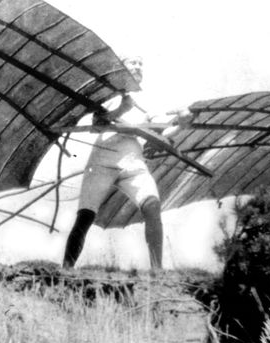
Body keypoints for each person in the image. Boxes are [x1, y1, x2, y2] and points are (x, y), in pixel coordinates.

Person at [62, 56, 189, 271]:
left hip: (133, 162)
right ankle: (65, 269)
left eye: (141, 64)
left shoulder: (150, 101)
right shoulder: (109, 92)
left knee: (152, 206)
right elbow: (97, 125)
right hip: (103, 159)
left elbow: (160, 135)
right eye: (133, 63)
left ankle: (157, 271)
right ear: (122, 67)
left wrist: (183, 124)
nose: (138, 67)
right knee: (85, 215)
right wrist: (121, 109)